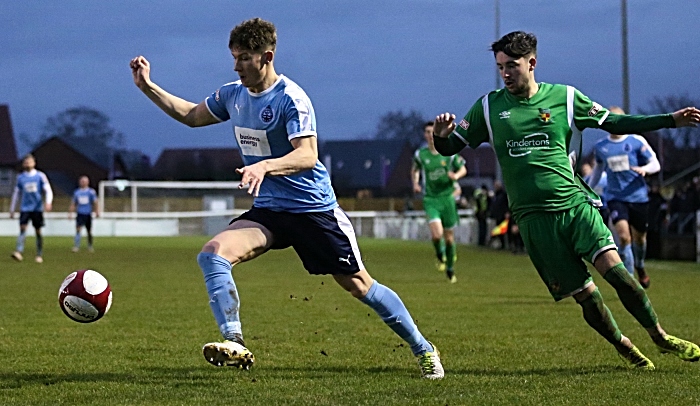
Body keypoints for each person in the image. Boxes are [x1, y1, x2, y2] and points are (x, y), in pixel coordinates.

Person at [130, 17, 443, 379]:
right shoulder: (232, 94)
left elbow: (307, 155)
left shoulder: (291, 98)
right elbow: (190, 115)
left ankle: (424, 348)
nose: (236, 66)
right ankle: (235, 342)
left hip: (313, 210)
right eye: (233, 57)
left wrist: (264, 167)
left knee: (360, 286)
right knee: (212, 254)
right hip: (270, 211)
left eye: (244, 57)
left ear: (267, 56)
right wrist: (148, 87)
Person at [432, 31, 700, 370]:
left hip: (575, 207)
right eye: (500, 67)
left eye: (512, 66)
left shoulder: (566, 98)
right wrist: (441, 137)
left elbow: (616, 122)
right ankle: (624, 345)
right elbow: (450, 147)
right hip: (533, 220)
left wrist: (670, 121)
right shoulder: (488, 107)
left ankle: (660, 337)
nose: (505, 74)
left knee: (618, 275)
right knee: (586, 296)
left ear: (532, 63)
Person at [588, 107, 659, 288]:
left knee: (640, 239)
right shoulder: (601, 147)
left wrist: (645, 169)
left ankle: (640, 266)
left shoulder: (636, 141)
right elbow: (597, 171)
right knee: (624, 237)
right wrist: (588, 189)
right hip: (615, 198)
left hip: (638, 197)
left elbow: (655, 163)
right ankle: (630, 282)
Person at [411, 121, 467, 283]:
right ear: (424, 135)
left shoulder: (448, 153)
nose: (429, 135)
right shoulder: (420, 154)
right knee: (437, 234)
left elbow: (463, 168)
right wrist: (415, 183)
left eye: (432, 132)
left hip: (447, 199)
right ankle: (439, 253)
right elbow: (414, 169)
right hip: (431, 199)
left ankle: (450, 268)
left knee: (449, 238)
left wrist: (456, 176)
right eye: (427, 132)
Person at [9, 154, 53, 263]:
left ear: (34, 163)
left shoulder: (40, 176)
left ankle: (39, 254)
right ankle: (18, 251)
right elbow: (16, 193)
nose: (27, 163)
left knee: (38, 231)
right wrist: (12, 209)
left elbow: (48, 190)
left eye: (29, 161)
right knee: (22, 228)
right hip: (25, 208)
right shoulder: (21, 177)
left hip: (37, 208)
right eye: (26, 162)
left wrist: (48, 202)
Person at [69, 175, 99, 252]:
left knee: (89, 230)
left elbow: (95, 202)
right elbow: (73, 203)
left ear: (88, 182)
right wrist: (70, 213)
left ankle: (90, 246)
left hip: (88, 213)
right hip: (80, 213)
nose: (83, 183)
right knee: (78, 229)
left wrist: (97, 211)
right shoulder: (77, 192)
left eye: (84, 181)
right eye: (82, 181)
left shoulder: (91, 192)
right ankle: (76, 246)